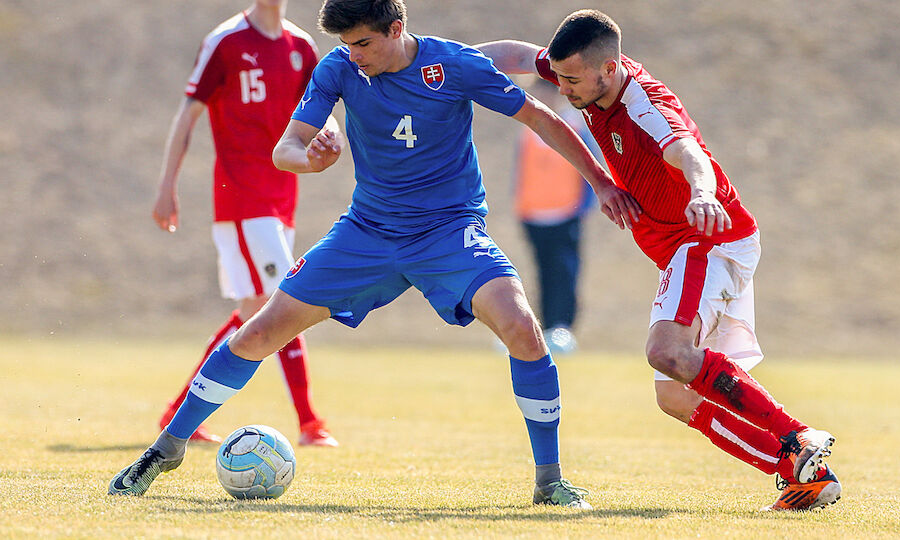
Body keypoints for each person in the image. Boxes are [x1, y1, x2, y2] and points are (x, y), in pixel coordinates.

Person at [108, 0, 641, 507]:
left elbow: (540, 119)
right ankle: (166, 450)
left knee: (523, 327)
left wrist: (601, 182)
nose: (352, 53)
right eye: (344, 43)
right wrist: (310, 161)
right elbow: (285, 148)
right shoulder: (338, 68)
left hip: (449, 233)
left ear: (394, 28)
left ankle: (549, 480)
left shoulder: (452, 65)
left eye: (361, 42)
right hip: (366, 233)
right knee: (259, 332)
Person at [476, 10, 842, 511]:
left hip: (707, 239)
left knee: (666, 351)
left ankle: (796, 436)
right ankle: (805, 475)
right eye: (558, 75)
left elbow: (687, 150)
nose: (562, 87)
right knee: (674, 396)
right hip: (688, 249)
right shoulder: (582, 73)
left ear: (609, 69)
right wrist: (442, 59)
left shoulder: (644, 104)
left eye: (572, 80)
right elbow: (518, 54)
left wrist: (703, 193)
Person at [150, 0, 338, 447]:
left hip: (282, 197)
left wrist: (331, 130)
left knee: (251, 313)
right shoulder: (225, 42)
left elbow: (317, 108)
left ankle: (180, 411)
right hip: (241, 198)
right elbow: (187, 114)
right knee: (287, 300)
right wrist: (166, 186)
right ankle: (310, 423)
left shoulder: (301, 46)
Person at [512, 79, 598, 354]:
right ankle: (545, 328)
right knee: (543, 274)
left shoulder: (574, 127)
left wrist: (583, 208)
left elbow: (591, 170)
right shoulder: (527, 131)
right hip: (533, 216)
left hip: (565, 215)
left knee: (565, 273)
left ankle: (562, 328)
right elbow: (521, 172)